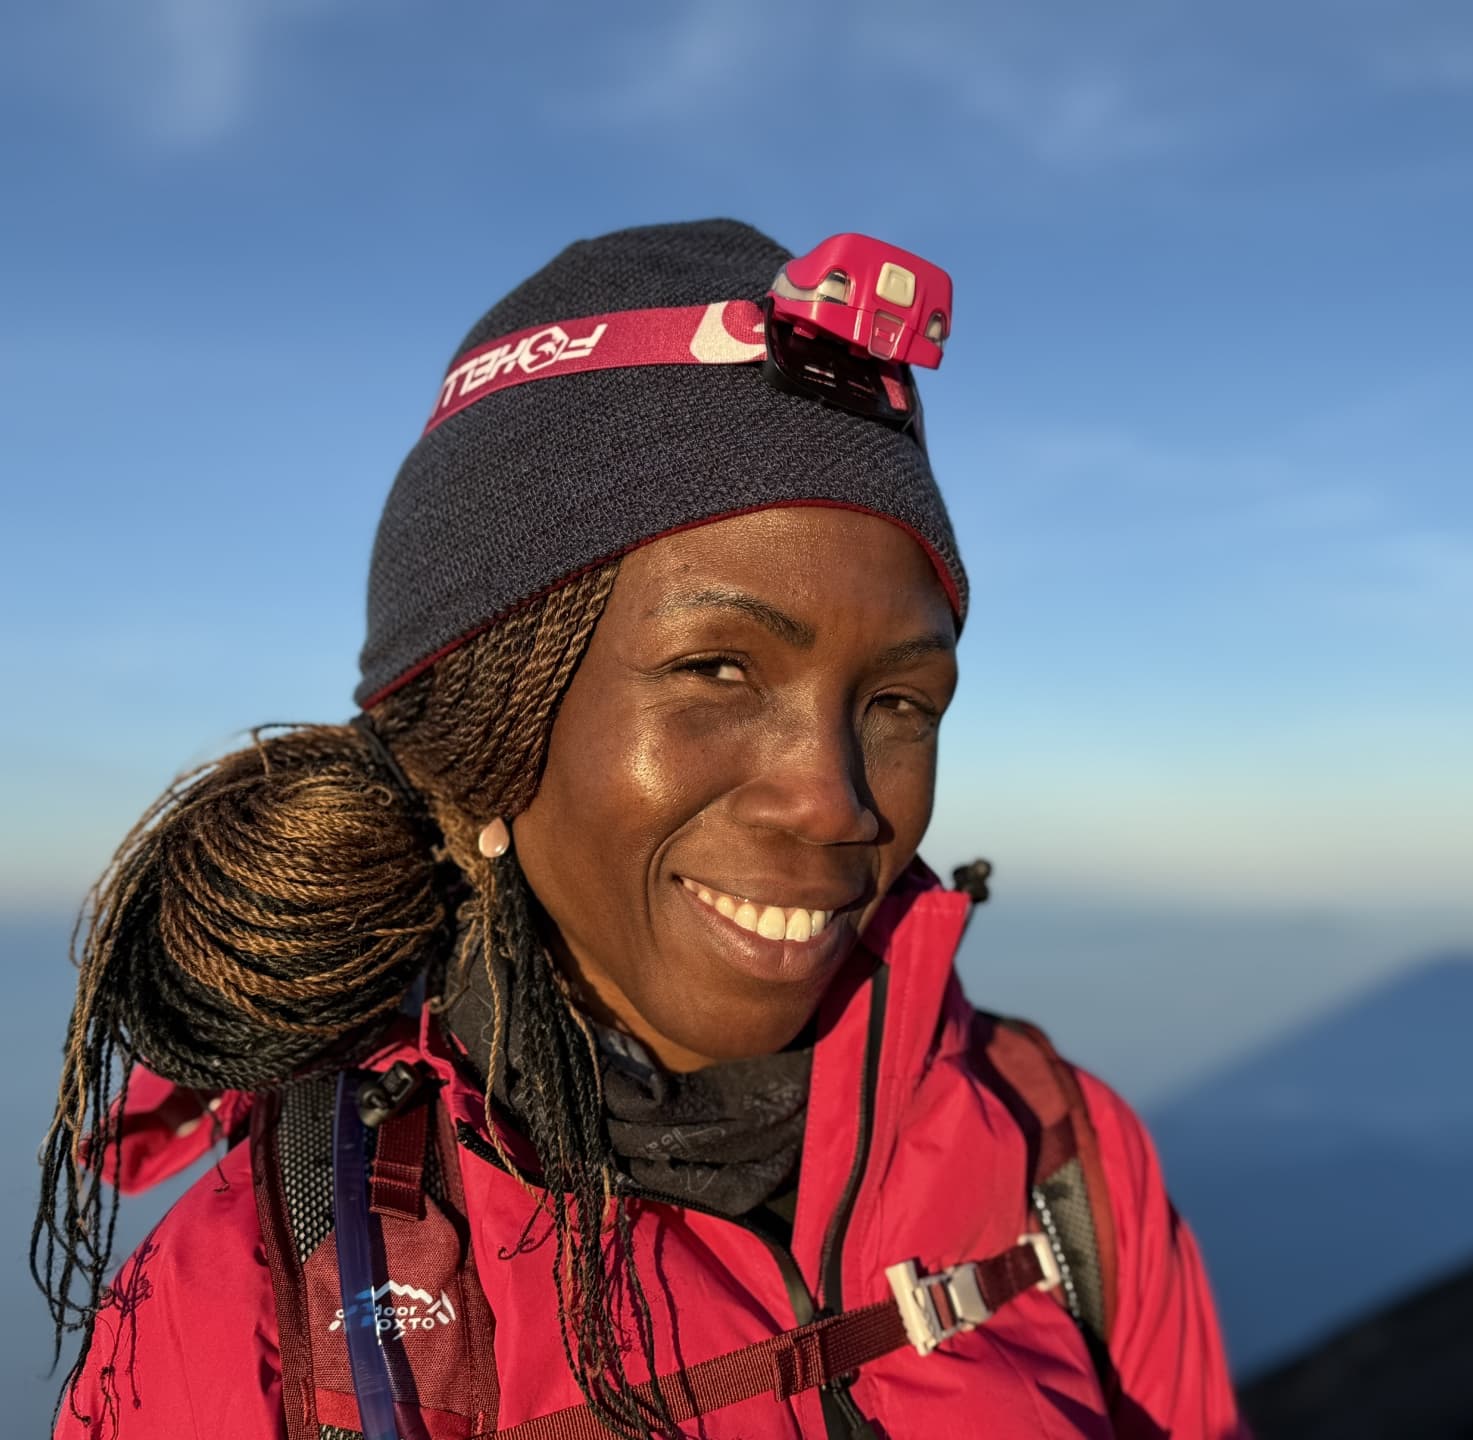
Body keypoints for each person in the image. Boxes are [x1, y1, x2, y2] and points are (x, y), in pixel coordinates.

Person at [35, 219, 1247, 1439]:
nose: (834, 801)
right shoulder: (252, 1317)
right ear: (495, 728)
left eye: (898, 703)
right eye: (716, 668)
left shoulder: (1058, 1161)